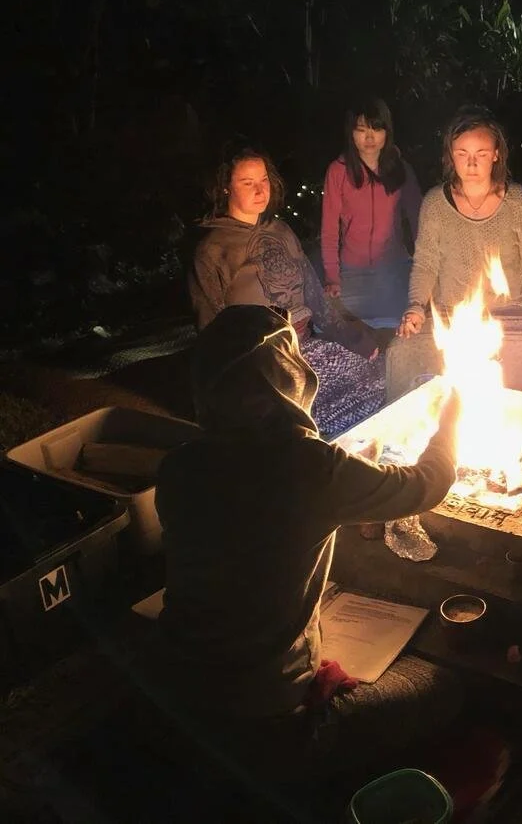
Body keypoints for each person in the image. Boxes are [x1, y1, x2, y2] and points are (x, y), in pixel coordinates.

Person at [148, 304, 462, 779]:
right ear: (284, 382)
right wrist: (452, 421)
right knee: (440, 684)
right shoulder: (310, 467)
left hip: (176, 691)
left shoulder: (177, 468)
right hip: (265, 718)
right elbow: (427, 483)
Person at [190, 146, 384, 439]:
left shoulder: (280, 230)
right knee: (313, 419)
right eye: (247, 182)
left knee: (381, 380)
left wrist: (349, 334)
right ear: (225, 188)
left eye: (264, 180)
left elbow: (315, 296)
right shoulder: (213, 248)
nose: (260, 190)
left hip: (306, 345)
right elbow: (211, 331)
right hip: (263, 361)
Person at [385, 106, 522, 399]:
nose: (471, 163)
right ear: (451, 155)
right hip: (450, 317)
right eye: (462, 154)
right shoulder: (435, 203)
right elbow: (425, 264)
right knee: (401, 351)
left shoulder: (518, 201)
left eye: (481, 154)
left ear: (496, 154)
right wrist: (416, 307)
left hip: (511, 316)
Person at [320, 98, 423, 328]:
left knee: (408, 325)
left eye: (376, 129)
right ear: (351, 133)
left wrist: (424, 270)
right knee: (333, 327)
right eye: (361, 130)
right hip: (351, 272)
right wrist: (332, 278)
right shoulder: (338, 171)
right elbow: (329, 230)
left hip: (394, 267)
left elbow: (419, 223)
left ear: (387, 132)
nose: (369, 138)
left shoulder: (401, 170)